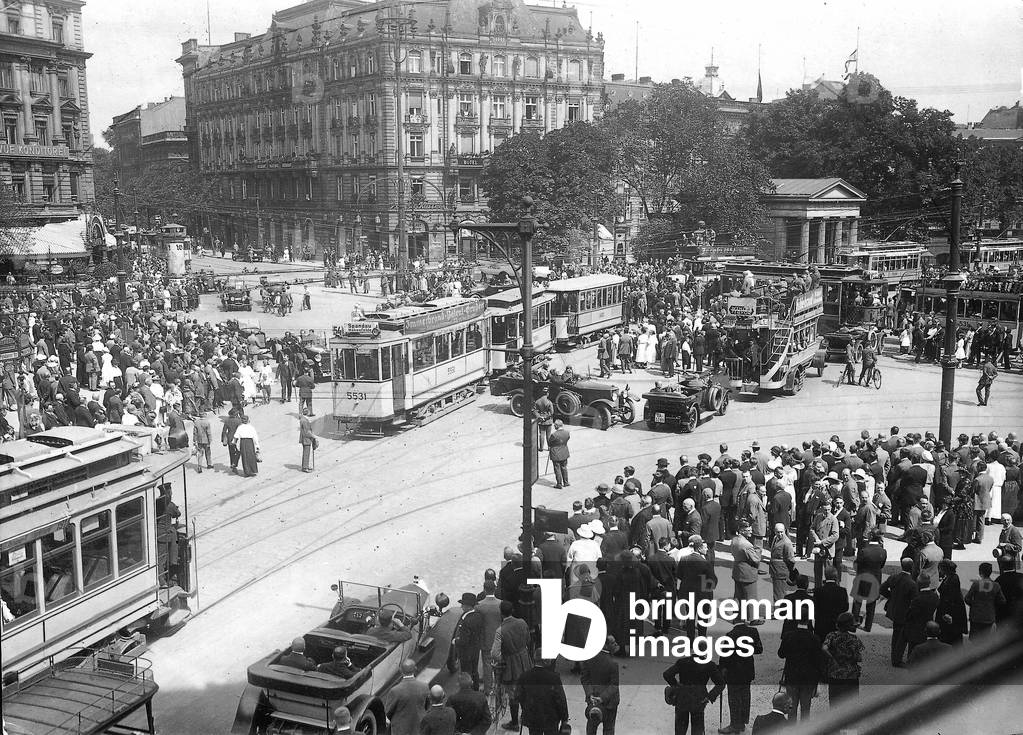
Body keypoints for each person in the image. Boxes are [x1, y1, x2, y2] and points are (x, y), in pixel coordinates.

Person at [491, 600, 533, 732]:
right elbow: (528, 640)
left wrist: (504, 659)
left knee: (513, 694)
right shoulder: (522, 622)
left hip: (511, 666)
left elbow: (494, 654)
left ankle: (514, 722)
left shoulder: (500, 631)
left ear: (501, 614)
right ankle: (526, 717)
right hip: (525, 661)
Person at [718, 619, 763, 734]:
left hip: (733, 671)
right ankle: (742, 722)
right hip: (747, 670)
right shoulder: (753, 631)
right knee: (745, 697)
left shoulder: (730, 635)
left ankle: (735, 724)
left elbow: (724, 656)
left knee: (734, 699)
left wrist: (722, 669)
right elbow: (759, 649)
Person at [662, 654, 725, 735]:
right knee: (697, 727)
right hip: (699, 699)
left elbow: (667, 674)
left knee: (680, 727)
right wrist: (710, 696)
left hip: (682, 697)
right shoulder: (710, 665)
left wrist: (676, 685)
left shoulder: (682, 662)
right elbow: (721, 684)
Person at [778, 618, 821, 722]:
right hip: (808, 678)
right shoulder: (814, 638)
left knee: (791, 708)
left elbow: (781, 654)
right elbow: (818, 661)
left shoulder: (788, 636)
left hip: (792, 676)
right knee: (806, 709)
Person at [580, 636, 620, 735]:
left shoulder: (589, 659)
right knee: (609, 728)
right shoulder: (613, 664)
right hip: (610, 702)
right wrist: (602, 698)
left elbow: (585, 678)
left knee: (591, 726)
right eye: (612, 643)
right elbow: (614, 685)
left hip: (593, 699)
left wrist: (590, 694)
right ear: (605, 645)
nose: (616, 644)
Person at [518, 659, 569, 735]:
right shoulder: (554, 677)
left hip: (533, 717)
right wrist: (564, 717)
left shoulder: (524, 676)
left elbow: (520, 697)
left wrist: (525, 710)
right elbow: (561, 699)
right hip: (551, 718)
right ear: (546, 661)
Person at [821, 612, 863, 705]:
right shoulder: (854, 639)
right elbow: (858, 657)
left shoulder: (831, 636)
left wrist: (832, 658)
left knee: (834, 703)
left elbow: (824, 648)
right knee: (851, 705)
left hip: (835, 674)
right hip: (851, 675)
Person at [851, 529, 887, 631]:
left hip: (862, 578)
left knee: (857, 602)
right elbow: (881, 565)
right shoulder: (883, 552)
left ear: (871, 536)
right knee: (871, 604)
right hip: (875, 579)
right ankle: (868, 626)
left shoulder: (864, 551)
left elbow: (857, 565)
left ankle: (854, 624)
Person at [450, 593, 484, 690]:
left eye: (463, 605)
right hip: (475, 648)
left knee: (466, 673)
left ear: (468, 606)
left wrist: (455, 641)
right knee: (474, 671)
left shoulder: (466, 621)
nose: (461, 606)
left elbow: (464, 640)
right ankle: (476, 689)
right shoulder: (478, 616)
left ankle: (466, 690)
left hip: (466, 652)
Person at [386, 659, 429, 735]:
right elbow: (426, 707)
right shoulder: (425, 687)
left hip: (400, 730)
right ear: (415, 669)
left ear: (401, 671)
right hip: (419, 728)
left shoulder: (395, 690)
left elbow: (388, 712)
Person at [964, 562, 1005, 639]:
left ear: (980, 572)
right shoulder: (996, 585)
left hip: (976, 616)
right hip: (989, 617)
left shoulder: (976, 584)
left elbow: (967, 599)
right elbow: (1002, 601)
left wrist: (974, 605)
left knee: (974, 639)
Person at [813, 566, 849, 640]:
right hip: (836, 625)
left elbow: (814, 608)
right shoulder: (842, 591)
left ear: (825, 576)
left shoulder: (818, 591)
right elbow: (845, 607)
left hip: (821, 625)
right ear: (836, 576)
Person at [768, 522, 796, 602]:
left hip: (781, 570)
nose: (780, 534)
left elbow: (791, 559)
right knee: (776, 592)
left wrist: (790, 570)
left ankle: (780, 611)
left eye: (781, 532)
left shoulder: (787, 542)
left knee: (779, 594)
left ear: (784, 531)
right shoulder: (775, 538)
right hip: (775, 569)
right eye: (778, 532)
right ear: (774, 531)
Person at [548, 419, 571, 488]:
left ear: (557, 426)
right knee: (564, 468)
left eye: (555, 425)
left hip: (556, 454)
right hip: (564, 452)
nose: (554, 426)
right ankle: (566, 482)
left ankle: (559, 484)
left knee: (557, 469)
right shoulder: (567, 433)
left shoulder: (554, 435)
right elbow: (567, 439)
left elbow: (549, 443)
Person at [191, 403, 213, 473]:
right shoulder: (207, 422)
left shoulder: (196, 422)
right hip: (206, 440)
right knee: (208, 452)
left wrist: (194, 440)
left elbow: (194, 433)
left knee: (200, 453)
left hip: (199, 440)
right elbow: (208, 433)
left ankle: (199, 466)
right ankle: (209, 464)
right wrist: (210, 440)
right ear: (204, 415)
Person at [221, 407, 243, 474]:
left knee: (231, 452)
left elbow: (224, 431)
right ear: (236, 414)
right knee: (238, 451)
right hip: (237, 438)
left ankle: (233, 466)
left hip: (230, 438)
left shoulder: (227, 421)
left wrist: (223, 439)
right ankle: (234, 463)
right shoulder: (239, 421)